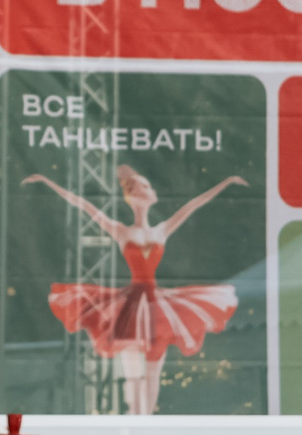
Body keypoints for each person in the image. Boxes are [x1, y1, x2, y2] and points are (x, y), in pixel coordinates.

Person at [24, 165, 243, 416]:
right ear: (134, 194)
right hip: (131, 306)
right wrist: (47, 181)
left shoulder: (161, 229)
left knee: (152, 372)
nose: (150, 191)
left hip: (155, 306)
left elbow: (194, 205)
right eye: (145, 187)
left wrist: (226, 181)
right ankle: (134, 419)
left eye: (149, 187)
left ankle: (146, 419)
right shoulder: (121, 230)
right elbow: (82, 205)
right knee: (132, 375)